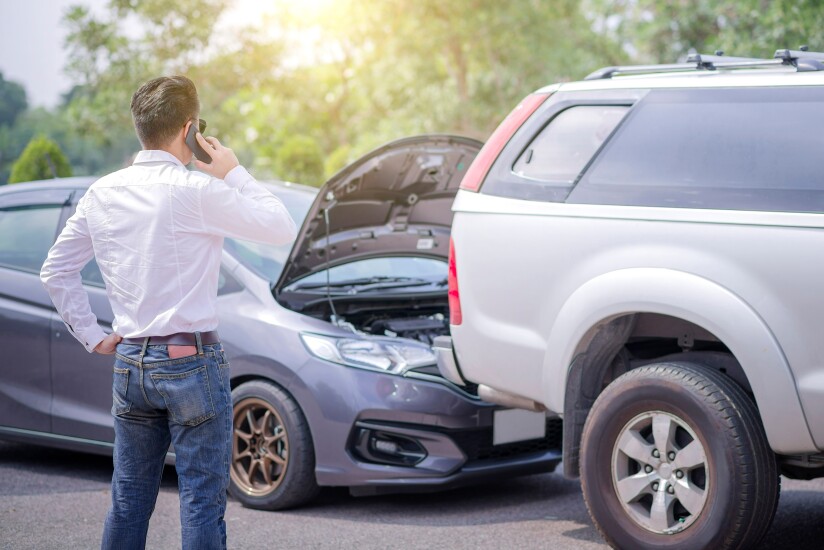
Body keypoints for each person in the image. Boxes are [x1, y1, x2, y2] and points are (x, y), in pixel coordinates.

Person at [40, 75, 297, 550]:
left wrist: (93, 336)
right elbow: (280, 226)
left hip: (131, 362)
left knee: (129, 498)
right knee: (200, 498)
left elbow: (55, 271)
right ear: (190, 128)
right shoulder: (195, 190)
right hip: (191, 362)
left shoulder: (102, 192)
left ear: (141, 128)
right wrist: (233, 171)